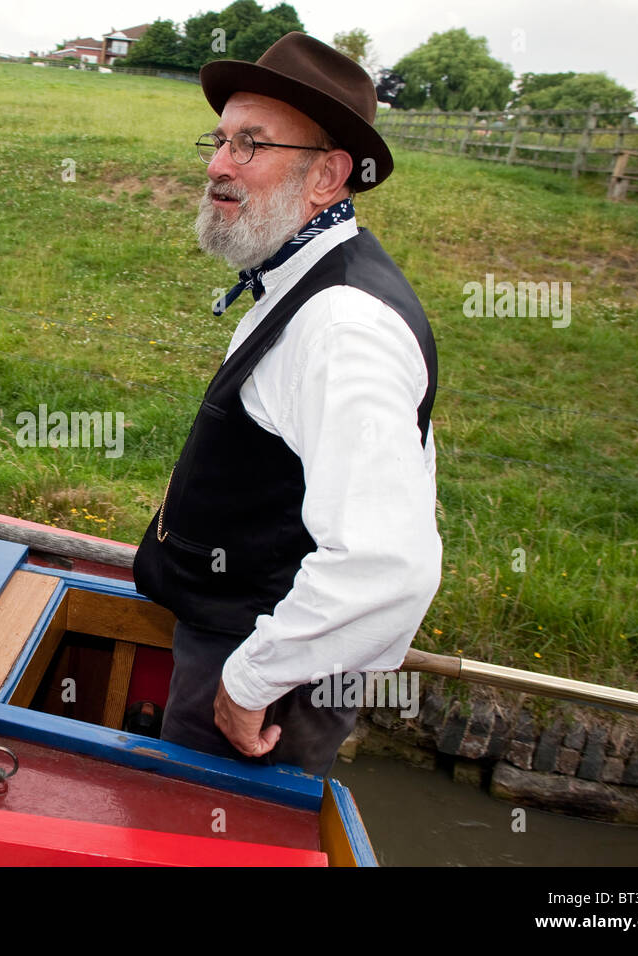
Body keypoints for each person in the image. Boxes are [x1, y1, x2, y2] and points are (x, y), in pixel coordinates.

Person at [132, 32, 442, 777]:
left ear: (328, 175)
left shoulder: (343, 325)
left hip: (266, 679)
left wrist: (250, 682)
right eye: (218, 142)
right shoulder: (303, 277)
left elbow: (386, 563)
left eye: (250, 145)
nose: (216, 165)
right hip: (254, 647)